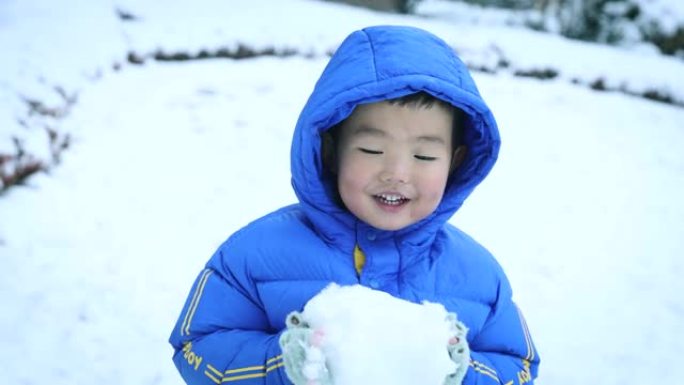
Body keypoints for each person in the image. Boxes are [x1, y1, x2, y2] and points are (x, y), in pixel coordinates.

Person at [169, 25, 540, 385]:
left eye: (424, 156)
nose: (396, 173)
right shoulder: (254, 255)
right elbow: (195, 345)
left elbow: (519, 365)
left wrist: (463, 372)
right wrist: (282, 365)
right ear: (330, 151)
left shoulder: (477, 276)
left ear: (455, 162)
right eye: (372, 150)